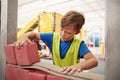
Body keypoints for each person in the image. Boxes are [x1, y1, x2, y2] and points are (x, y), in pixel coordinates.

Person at [15, 10, 98, 74]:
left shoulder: (79, 44)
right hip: (56, 74)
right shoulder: (52, 37)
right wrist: (24, 36)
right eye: (61, 29)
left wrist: (77, 66)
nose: (63, 34)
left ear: (77, 32)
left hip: (71, 75)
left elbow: (93, 61)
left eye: (68, 32)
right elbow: (34, 34)